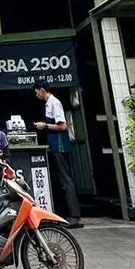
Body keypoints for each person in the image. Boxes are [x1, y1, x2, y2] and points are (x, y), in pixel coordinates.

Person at [35, 84, 83, 229]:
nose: (36, 95)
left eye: (37, 92)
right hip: (54, 145)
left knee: (65, 180)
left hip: (60, 146)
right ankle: (67, 214)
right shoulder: (48, 104)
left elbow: (63, 126)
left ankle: (75, 216)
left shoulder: (54, 103)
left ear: (43, 90)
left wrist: (44, 126)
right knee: (61, 181)